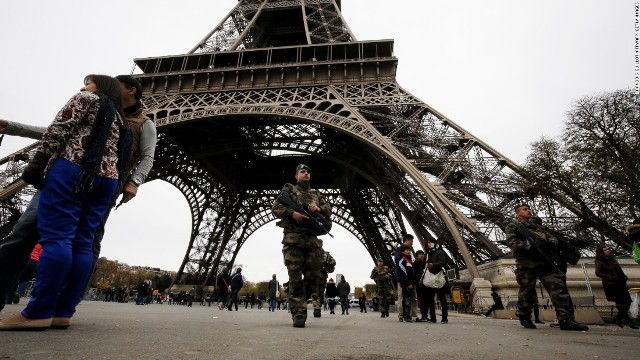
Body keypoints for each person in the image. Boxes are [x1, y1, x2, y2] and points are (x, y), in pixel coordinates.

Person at [0, 74, 156, 314]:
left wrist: (134, 181)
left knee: (83, 241)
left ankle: (61, 305)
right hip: (86, 178)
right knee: (28, 231)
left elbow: (59, 130)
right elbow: (60, 130)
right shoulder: (108, 110)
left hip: (86, 179)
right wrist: (13, 127)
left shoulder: (140, 122)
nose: (84, 88)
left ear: (131, 90)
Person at [505, 203, 588, 331]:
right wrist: (530, 247)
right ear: (518, 213)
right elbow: (511, 242)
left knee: (558, 287)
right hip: (527, 262)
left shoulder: (537, 227)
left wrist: (549, 243)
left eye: (529, 209)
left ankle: (566, 319)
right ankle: (524, 316)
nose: (528, 211)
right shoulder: (513, 226)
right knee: (527, 291)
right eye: (525, 209)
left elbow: (552, 237)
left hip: (545, 261)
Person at [271, 163, 332, 328]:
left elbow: (328, 213)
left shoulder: (316, 195)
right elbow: (276, 207)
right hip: (293, 240)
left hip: (312, 242)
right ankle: (298, 312)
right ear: (296, 175)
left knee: (314, 278)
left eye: (308, 172)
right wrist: (293, 213)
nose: (306, 174)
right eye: (302, 172)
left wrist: (318, 209)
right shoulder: (289, 190)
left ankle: (295, 294)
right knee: (296, 277)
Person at [595, 246, 639, 329]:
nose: (608, 250)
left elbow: (619, 271)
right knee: (621, 303)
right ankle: (629, 322)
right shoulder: (600, 261)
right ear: (601, 252)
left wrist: (624, 277)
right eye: (605, 250)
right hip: (611, 285)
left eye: (608, 249)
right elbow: (598, 273)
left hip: (620, 284)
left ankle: (618, 318)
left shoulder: (612, 260)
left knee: (627, 302)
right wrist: (611, 277)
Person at [394, 234, 420, 322]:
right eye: (411, 241)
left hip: (409, 280)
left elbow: (409, 268)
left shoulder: (407, 254)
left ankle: (412, 315)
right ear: (407, 240)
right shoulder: (400, 251)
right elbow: (401, 266)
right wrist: (407, 282)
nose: (412, 243)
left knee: (411, 297)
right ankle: (402, 315)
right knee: (403, 297)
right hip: (403, 280)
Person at [396, 245, 415, 322]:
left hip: (409, 283)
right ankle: (406, 316)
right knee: (406, 300)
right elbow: (403, 272)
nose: (409, 251)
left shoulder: (408, 260)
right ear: (402, 251)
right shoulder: (403, 260)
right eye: (407, 250)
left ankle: (407, 315)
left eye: (409, 250)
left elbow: (411, 273)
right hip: (405, 283)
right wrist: (408, 283)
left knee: (408, 300)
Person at [316, 250, 336, 317]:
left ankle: (317, 308)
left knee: (318, 293)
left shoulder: (325, 255)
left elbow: (333, 262)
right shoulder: (325, 254)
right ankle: (317, 308)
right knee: (317, 292)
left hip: (318, 276)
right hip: (318, 277)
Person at [413, 250, 429, 320]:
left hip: (425, 283)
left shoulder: (425, 263)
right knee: (422, 300)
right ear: (417, 256)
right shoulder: (415, 264)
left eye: (422, 254)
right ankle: (424, 315)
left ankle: (425, 315)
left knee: (425, 300)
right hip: (419, 284)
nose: (421, 255)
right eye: (419, 254)